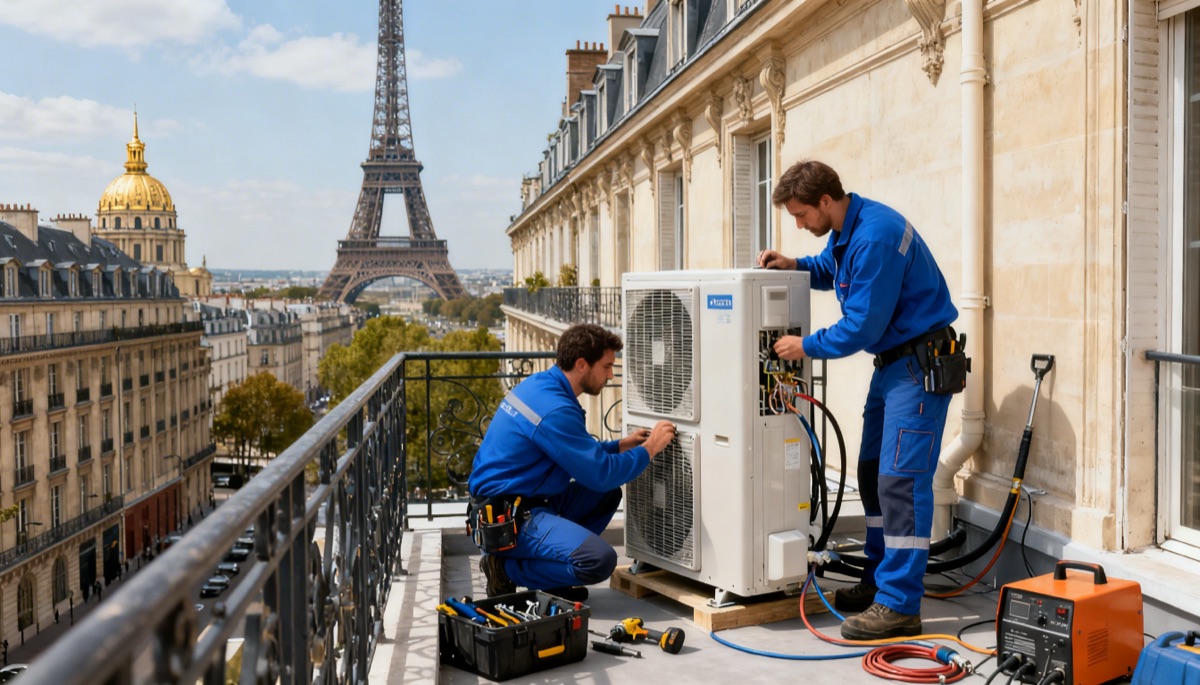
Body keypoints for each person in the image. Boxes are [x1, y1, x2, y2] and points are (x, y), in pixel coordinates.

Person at [759, 160, 958, 640]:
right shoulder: (851, 227)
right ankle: (877, 579)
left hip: (918, 366)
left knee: (901, 481)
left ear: (826, 201)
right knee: (871, 472)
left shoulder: (876, 236)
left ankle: (900, 604)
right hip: (893, 366)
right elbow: (834, 268)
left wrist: (802, 346)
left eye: (802, 215)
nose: (800, 225)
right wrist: (798, 265)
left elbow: (862, 327)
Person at [468, 323, 676, 600]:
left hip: (521, 501)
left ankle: (553, 572)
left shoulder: (542, 386)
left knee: (604, 495)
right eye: (606, 366)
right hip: (507, 518)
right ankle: (505, 569)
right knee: (599, 560)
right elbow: (601, 473)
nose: (610, 375)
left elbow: (571, 452)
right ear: (581, 364)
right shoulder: (555, 409)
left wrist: (620, 445)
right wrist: (650, 448)